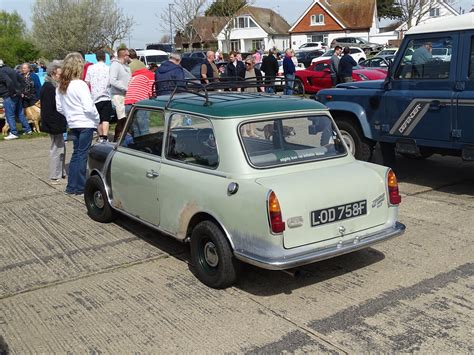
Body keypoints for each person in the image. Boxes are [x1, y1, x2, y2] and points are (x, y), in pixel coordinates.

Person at [56, 52, 99, 195]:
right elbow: (89, 107)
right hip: (85, 122)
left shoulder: (61, 86)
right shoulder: (80, 85)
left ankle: (71, 186)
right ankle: (80, 187)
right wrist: (97, 119)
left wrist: (70, 115)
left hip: (73, 123)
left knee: (76, 154)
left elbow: (59, 108)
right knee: (82, 155)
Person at [40, 60, 67, 185]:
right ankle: (54, 175)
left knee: (61, 148)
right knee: (56, 149)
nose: (60, 76)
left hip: (57, 122)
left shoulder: (53, 87)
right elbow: (47, 109)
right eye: (58, 74)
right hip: (53, 123)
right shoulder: (48, 88)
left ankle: (60, 172)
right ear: (53, 73)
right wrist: (53, 125)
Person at [85, 49, 114, 142]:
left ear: (96, 58)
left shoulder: (90, 68)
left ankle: (100, 136)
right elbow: (111, 82)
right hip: (106, 96)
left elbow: (87, 82)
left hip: (94, 97)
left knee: (98, 119)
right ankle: (105, 137)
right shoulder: (108, 68)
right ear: (105, 58)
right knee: (105, 119)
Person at [0, 60, 33, 140]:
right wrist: (21, 91)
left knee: (9, 114)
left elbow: (9, 81)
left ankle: (14, 132)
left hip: (9, 95)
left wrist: (12, 93)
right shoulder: (10, 69)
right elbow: (22, 79)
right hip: (17, 94)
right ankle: (28, 129)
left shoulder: (1, 72)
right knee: (19, 113)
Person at [125, 65, 155, 136]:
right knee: (144, 129)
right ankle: (144, 145)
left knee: (135, 129)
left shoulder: (134, 76)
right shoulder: (150, 75)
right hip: (140, 102)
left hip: (127, 102)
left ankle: (137, 145)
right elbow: (152, 91)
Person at [109, 47, 131, 141]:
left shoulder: (126, 66)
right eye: (128, 55)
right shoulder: (115, 65)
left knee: (126, 118)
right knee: (121, 118)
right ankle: (117, 138)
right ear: (123, 55)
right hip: (118, 95)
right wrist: (125, 88)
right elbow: (112, 80)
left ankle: (123, 137)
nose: (129, 57)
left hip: (126, 95)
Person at [242, 56, 263, 137]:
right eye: (245, 63)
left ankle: (252, 131)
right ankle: (244, 131)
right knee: (245, 112)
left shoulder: (257, 72)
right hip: (245, 92)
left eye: (248, 64)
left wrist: (262, 92)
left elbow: (261, 83)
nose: (247, 65)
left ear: (253, 64)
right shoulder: (242, 72)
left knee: (253, 113)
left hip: (254, 92)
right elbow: (239, 84)